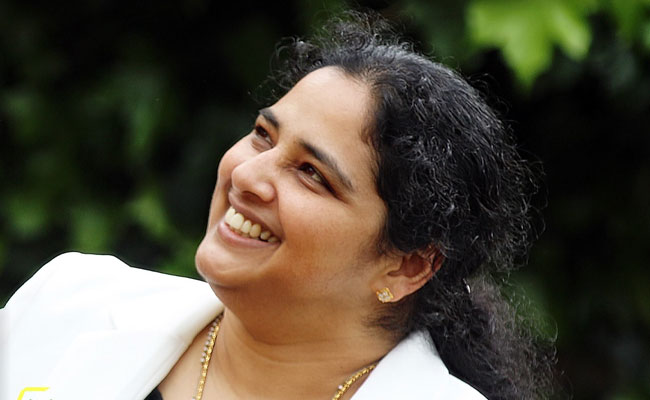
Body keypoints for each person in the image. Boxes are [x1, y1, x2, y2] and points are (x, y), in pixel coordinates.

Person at [2, 11, 556, 400]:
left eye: (312, 174)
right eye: (263, 136)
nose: (246, 175)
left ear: (406, 265)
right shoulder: (67, 305)